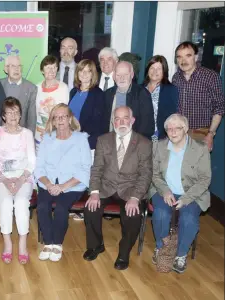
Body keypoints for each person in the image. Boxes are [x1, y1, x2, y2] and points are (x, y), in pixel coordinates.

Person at [83, 106, 152, 271]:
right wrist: (94, 193)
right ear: (113, 121)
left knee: (133, 214)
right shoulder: (103, 140)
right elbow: (97, 169)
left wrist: (135, 198)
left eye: (125, 118)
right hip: (106, 186)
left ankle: (124, 252)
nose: (121, 122)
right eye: (117, 119)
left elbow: (145, 174)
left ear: (132, 120)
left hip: (131, 189)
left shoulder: (144, 143)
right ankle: (96, 245)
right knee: (91, 209)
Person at [150, 113, 211, 273]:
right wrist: (165, 191)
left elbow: (205, 179)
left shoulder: (200, 149)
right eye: (169, 129)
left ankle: (181, 254)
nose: (173, 132)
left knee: (189, 218)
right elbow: (154, 174)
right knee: (161, 214)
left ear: (186, 129)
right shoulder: (159, 146)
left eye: (177, 128)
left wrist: (186, 198)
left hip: (191, 193)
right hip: (164, 190)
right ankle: (161, 248)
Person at [34, 104, 91, 262]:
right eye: (56, 117)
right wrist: (49, 184)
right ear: (52, 120)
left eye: (63, 116)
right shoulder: (46, 138)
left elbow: (85, 169)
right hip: (49, 183)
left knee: (60, 208)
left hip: (72, 185)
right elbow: (39, 167)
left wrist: (62, 187)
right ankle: (48, 242)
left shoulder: (81, 139)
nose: (60, 119)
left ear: (70, 118)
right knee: (42, 206)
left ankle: (57, 244)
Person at [0, 97, 36, 264]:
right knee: (6, 202)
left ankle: (22, 244)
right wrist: (5, 180)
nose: (13, 116)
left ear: (21, 115)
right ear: (3, 116)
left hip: (24, 177)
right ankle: (7, 243)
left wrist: (22, 179)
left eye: (16, 112)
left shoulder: (27, 134)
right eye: (9, 112)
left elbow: (32, 161)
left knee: (22, 201)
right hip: (2, 178)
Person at [172, 41, 224, 151]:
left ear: (196, 57)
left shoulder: (210, 77)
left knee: (196, 167)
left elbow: (219, 108)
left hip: (201, 133)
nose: (183, 61)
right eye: (179, 57)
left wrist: (210, 134)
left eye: (188, 56)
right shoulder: (176, 78)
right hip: (178, 132)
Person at [103, 61, 155, 140]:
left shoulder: (142, 94)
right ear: (113, 76)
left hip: (134, 143)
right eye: (118, 75)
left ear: (132, 75)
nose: (122, 78)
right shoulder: (107, 94)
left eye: (125, 75)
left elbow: (147, 127)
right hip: (110, 142)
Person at [68, 59, 106, 150]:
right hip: (69, 139)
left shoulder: (98, 94)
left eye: (88, 71)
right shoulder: (73, 91)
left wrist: (84, 141)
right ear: (77, 73)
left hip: (86, 142)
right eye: (81, 70)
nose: (84, 74)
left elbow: (98, 124)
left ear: (92, 74)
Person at [35, 55, 69, 149]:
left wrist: (50, 130)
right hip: (39, 134)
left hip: (56, 134)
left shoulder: (63, 88)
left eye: (54, 67)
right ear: (42, 70)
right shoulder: (36, 88)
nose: (51, 71)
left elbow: (63, 115)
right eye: (48, 67)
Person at [143, 55, 179, 142]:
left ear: (164, 71)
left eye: (158, 68)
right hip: (141, 137)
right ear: (148, 70)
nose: (155, 71)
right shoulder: (139, 89)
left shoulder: (171, 90)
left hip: (162, 138)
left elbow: (173, 115)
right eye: (152, 68)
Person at [0, 55, 37, 134]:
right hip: (2, 134)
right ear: (6, 69)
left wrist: (29, 137)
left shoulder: (31, 88)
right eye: (13, 66)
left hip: (21, 136)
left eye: (19, 66)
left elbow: (32, 119)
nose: (16, 69)